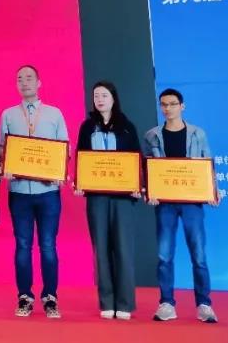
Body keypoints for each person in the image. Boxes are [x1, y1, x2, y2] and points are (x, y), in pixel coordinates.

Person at [143, 87, 219, 324]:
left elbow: (208, 165)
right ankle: (166, 303)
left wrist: (212, 190)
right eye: (164, 104)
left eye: (172, 104)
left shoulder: (198, 133)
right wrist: (149, 191)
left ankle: (204, 304)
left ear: (182, 106)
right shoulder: (152, 136)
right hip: (164, 203)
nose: (168, 108)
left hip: (192, 202)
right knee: (164, 255)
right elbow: (146, 169)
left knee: (199, 255)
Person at [0, 64, 68, 319]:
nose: (24, 82)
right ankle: (24, 296)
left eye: (29, 78)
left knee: (48, 245)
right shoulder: (8, 114)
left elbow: (64, 148)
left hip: (48, 191)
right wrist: (6, 166)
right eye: (20, 79)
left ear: (39, 83)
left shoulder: (54, 114)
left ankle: (50, 297)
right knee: (23, 245)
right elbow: (2, 148)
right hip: (19, 191)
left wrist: (58, 171)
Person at [75, 81, 142, 320]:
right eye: (96, 96)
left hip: (122, 197)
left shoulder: (127, 127)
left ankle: (124, 303)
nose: (100, 99)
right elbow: (80, 157)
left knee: (123, 249)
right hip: (97, 197)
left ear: (114, 98)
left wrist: (138, 185)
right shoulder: (87, 127)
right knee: (101, 250)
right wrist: (79, 182)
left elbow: (137, 157)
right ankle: (106, 301)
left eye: (104, 95)